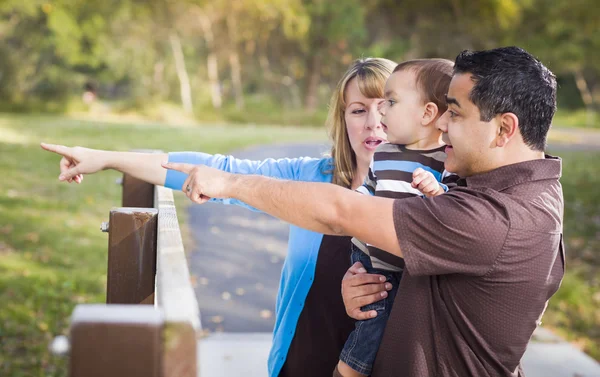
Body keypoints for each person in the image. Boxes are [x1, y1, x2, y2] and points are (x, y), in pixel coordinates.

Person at [162, 46, 564, 377]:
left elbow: (340, 211)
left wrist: (230, 184)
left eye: (455, 113)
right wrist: (363, 284)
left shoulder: (496, 218)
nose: (441, 122)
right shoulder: (514, 186)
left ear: (504, 129)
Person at [41, 57, 397, 377]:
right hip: (301, 362)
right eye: (358, 110)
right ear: (342, 119)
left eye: (386, 107)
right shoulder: (312, 176)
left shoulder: (426, 192)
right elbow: (218, 169)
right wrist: (105, 157)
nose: (373, 123)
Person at [338, 58, 454, 377]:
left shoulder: (448, 159)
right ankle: (350, 368)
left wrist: (437, 189)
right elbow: (369, 189)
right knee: (372, 323)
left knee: (394, 327)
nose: (380, 115)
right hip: (372, 257)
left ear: (428, 113)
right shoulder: (386, 154)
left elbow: (454, 205)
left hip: (411, 265)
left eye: (389, 102)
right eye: (359, 109)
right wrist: (352, 205)